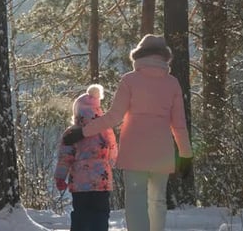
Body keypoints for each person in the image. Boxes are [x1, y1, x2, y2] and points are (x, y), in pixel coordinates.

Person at [63, 34, 194, 231]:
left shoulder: (130, 80)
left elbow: (114, 117)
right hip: (162, 151)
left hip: (134, 150)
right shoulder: (172, 83)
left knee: (135, 201)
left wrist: (83, 132)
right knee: (158, 200)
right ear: (164, 57)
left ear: (138, 55)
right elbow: (179, 125)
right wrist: (185, 155)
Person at [54, 84, 117, 231]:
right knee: (100, 214)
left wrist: (60, 177)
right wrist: (109, 164)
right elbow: (113, 151)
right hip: (102, 180)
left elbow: (65, 156)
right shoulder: (105, 129)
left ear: (76, 112)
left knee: (80, 215)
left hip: (80, 184)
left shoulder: (72, 132)